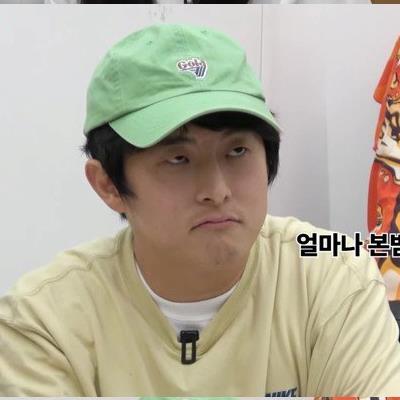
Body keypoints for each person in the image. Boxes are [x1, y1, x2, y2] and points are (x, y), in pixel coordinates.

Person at [0, 23, 399, 396]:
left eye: (237, 151)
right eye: (178, 159)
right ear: (108, 185)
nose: (218, 191)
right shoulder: (44, 321)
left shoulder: (334, 274)